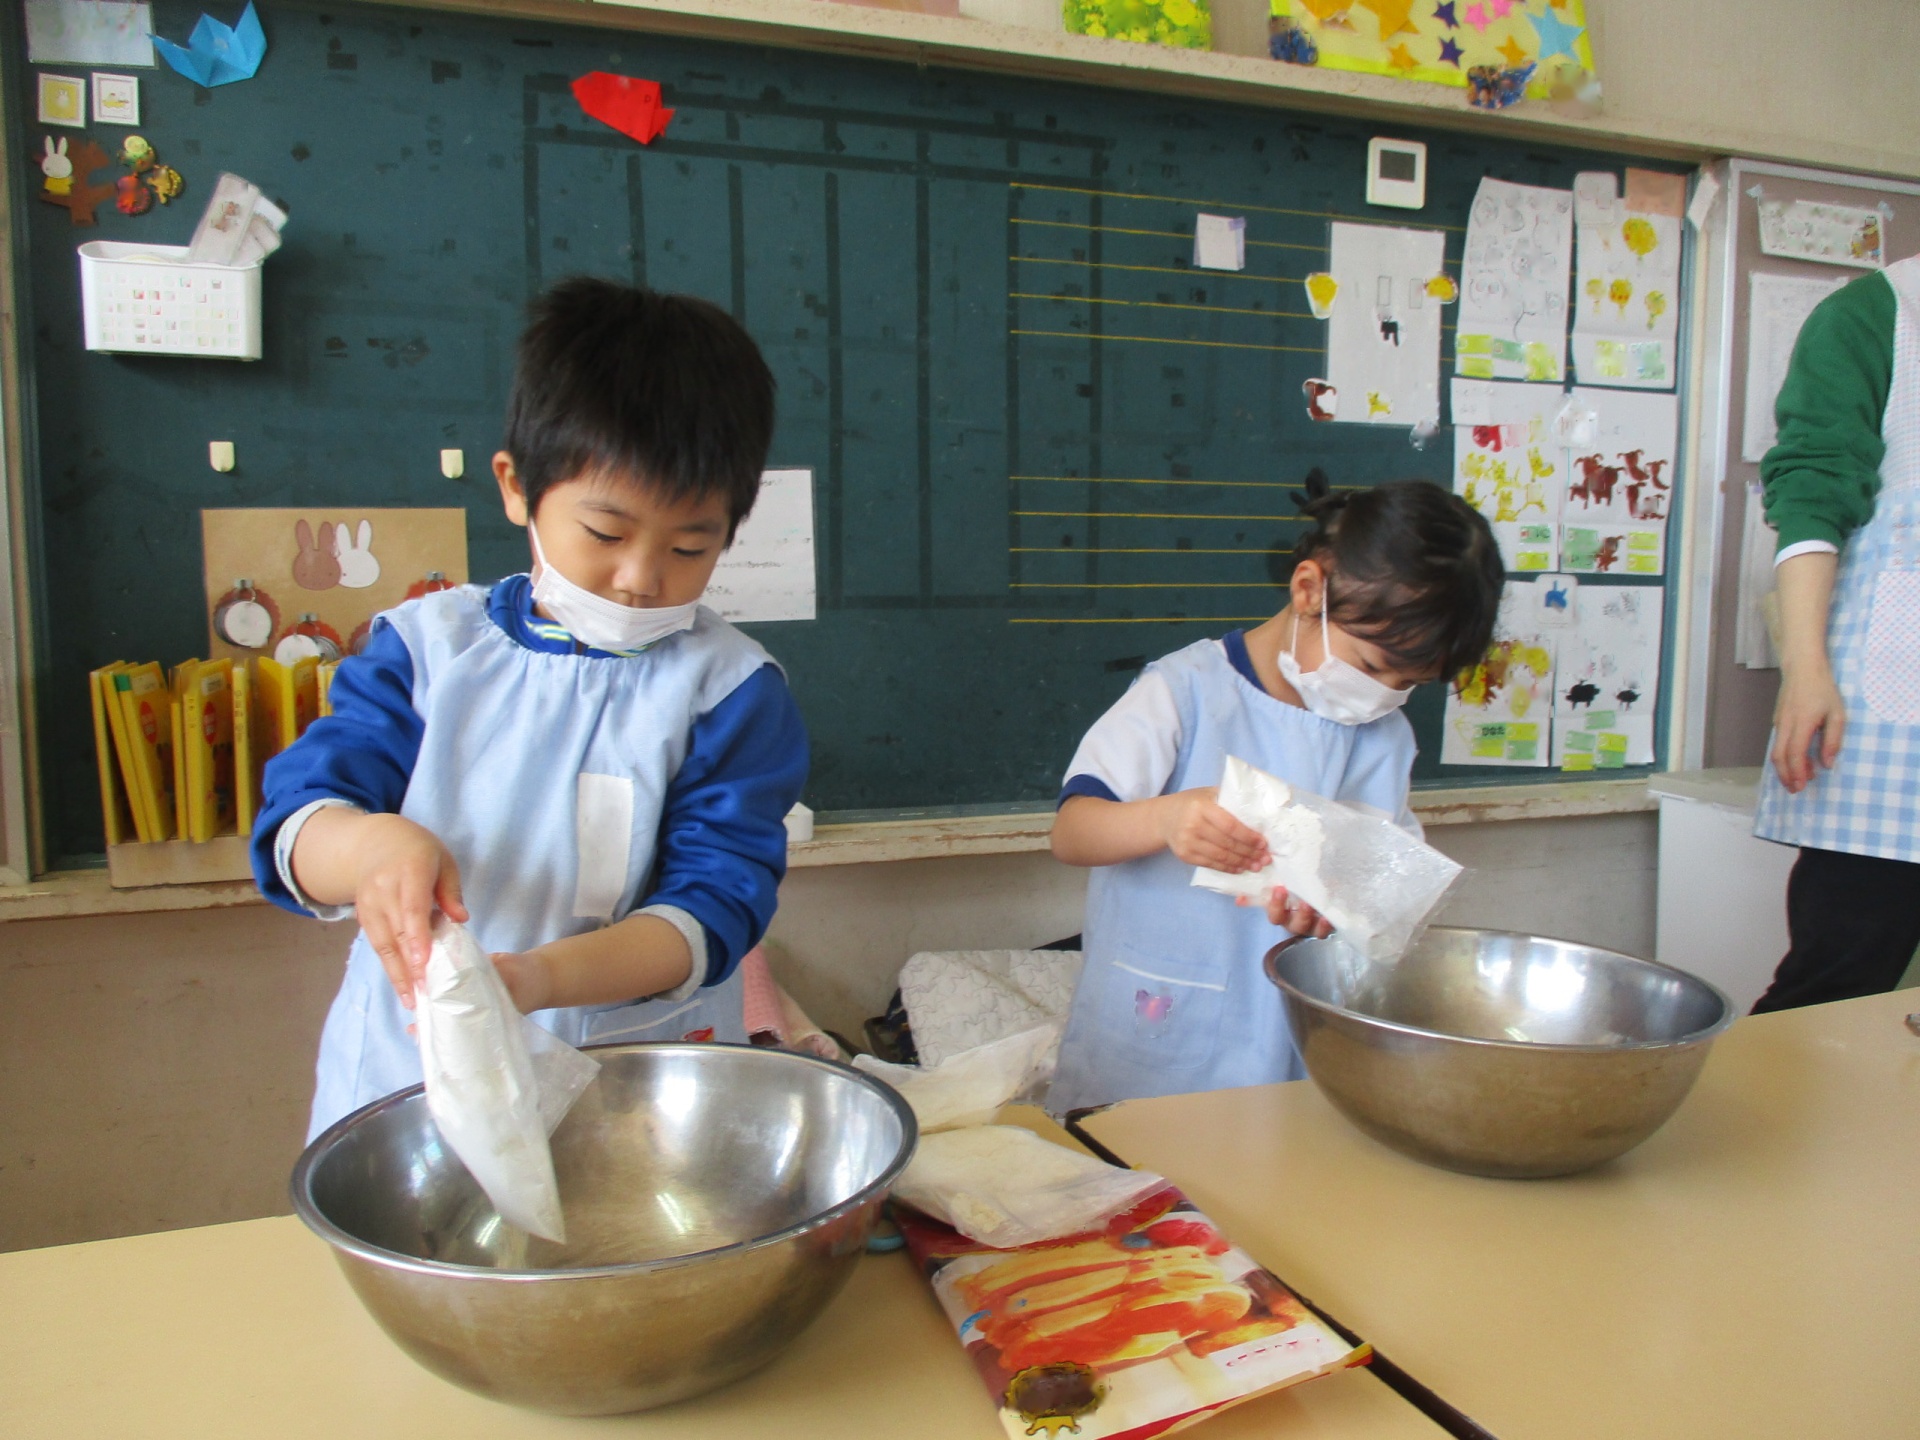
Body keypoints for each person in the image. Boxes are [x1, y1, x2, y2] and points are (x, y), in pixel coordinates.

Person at [252, 279, 810, 1139]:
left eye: (689, 546)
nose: (640, 577)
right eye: (606, 533)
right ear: (517, 487)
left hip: (639, 1088)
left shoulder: (730, 692)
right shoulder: (426, 651)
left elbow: (713, 907)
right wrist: (370, 847)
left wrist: (537, 981)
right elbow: (296, 828)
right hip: (410, 1080)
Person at [1045, 480, 1502, 1113]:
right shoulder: (1185, 692)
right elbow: (1072, 832)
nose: (1383, 695)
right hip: (1157, 1029)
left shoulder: (1385, 738)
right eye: (1373, 668)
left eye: (1409, 683)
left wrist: (1336, 916)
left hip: (1290, 1041)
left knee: (1271, 1152)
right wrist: (1166, 818)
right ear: (1309, 590)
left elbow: (1380, 895)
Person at [1751, 258, 1920, 1012]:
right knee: (1837, 981)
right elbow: (1813, 489)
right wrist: (1806, 668)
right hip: (1895, 721)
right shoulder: (1880, 312)